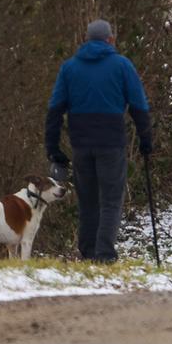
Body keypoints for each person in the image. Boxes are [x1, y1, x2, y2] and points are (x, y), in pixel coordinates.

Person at [46, 20, 155, 262]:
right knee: (111, 200)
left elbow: (54, 110)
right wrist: (146, 139)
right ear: (110, 39)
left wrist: (52, 147)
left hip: (81, 144)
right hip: (111, 143)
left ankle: (88, 252)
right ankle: (104, 255)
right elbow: (139, 105)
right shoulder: (122, 65)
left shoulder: (69, 68)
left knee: (88, 200)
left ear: (86, 39)